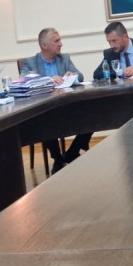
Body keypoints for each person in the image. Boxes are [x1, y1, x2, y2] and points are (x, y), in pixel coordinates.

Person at [20, 28, 90, 172]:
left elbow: (80, 75)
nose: (61, 44)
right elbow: (23, 80)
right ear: (44, 45)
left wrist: (72, 75)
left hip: (67, 107)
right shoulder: (30, 62)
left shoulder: (64, 58)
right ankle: (58, 159)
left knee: (93, 116)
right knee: (43, 121)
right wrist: (49, 79)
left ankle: (72, 153)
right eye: (56, 41)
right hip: (45, 110)